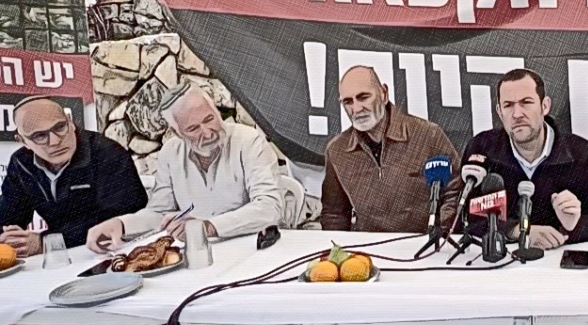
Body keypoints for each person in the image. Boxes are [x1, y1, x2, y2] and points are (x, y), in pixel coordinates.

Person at [86, 83, 285, 253]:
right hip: (199, 253)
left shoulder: (248, 141)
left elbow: (270, 207)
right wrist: (121, 224)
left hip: (254, 248)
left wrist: (208, 226)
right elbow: (160, 213)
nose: (207, 133)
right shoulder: (170, 153)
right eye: (193, 128)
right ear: (177, 132)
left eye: (209, 119)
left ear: (216, 110)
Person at [458, 69, 588, 250]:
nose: (517, 114)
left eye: (526, 103)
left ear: (544, 106)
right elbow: (467, 217)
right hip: (502, 257)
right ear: (499, 112)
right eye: (508, 105)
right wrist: (516, 231)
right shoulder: (482, 150)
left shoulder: (583, 155)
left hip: (562, 256)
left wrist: (572, 225)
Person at [0, 96, 147, 256]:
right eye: (40, 136)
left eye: (60, 127)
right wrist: (8, 236)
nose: (55, 141)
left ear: (70, 121)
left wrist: (47, 242)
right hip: (63, 257)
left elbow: (119, 217)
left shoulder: (107, 153)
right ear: (22, 141)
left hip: (117, 251)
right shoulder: (21, 162)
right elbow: (9, 216)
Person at [321, 66, 460, 232]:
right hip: (368, 245)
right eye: (348, 102)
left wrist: (442, 236)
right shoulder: (337, 150)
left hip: (426, 242)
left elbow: (454, 192)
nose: (356, 109)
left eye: (363, 97)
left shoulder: (428, 134)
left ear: (384, 94)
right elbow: (334, 214)